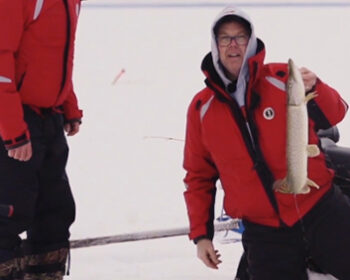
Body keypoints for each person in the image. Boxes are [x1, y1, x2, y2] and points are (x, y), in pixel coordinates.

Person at [183, 5, 350, 280]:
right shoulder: (201, 108)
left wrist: (317, 88)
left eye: (240, 37)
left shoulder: (282, 78)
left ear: (251, 42)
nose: (233, 45)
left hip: (319, 208)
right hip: (264, 233)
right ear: (216, 46)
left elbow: (337, 112)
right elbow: (198, 176)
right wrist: (201, 236)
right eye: (225, 38)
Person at [0, 0, 83, 279]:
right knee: (7, 214)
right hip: (14, 118)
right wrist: (13, 130)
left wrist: (68, 103)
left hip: (50, 118)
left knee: (54, 213)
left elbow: (58, 55)